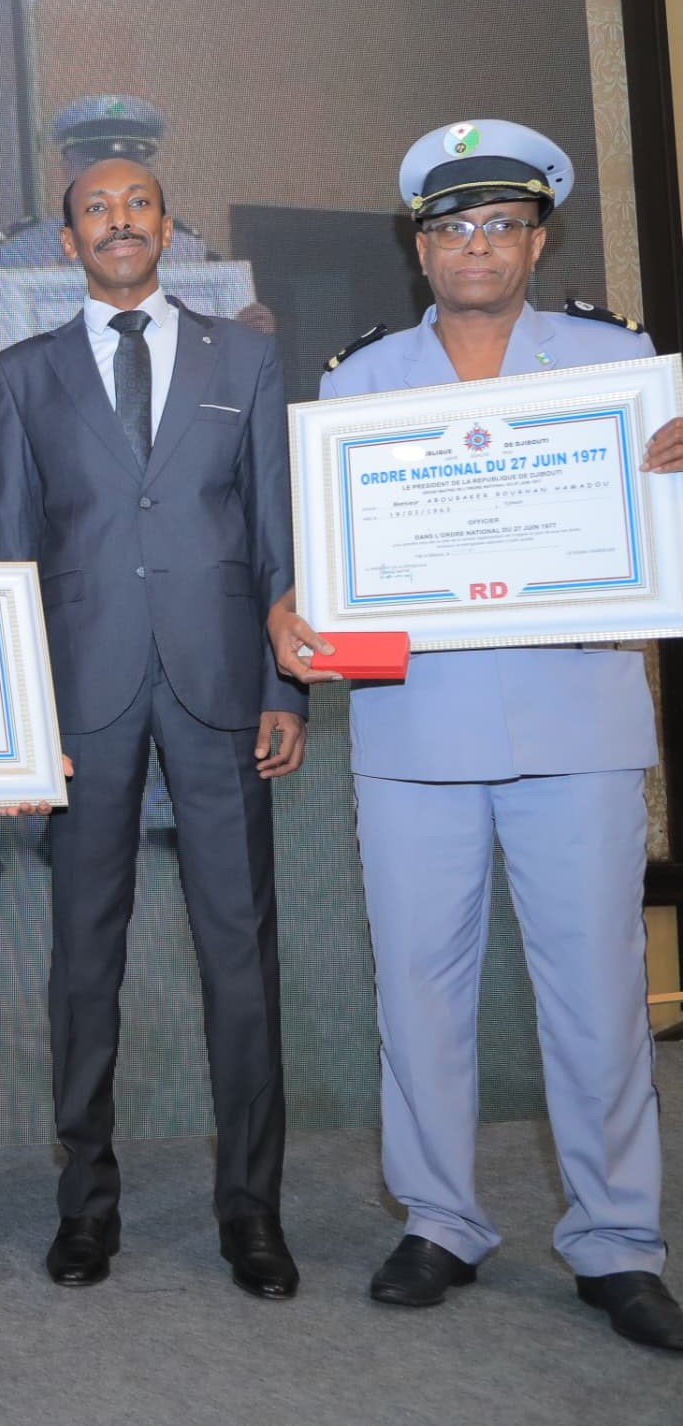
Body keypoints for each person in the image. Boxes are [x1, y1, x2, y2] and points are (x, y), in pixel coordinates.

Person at [273, 120, 683, 1352]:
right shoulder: (357, 382)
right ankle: (440, 1219)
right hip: (414, 728)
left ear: (536, 237)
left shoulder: (618, 361)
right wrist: (296, 607)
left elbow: (652, 538)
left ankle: (616, 1242)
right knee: (420, 988)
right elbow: (334, 553)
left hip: (578, 719)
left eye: (499, 225)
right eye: (449, 227)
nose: (474, 246)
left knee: (598, 995)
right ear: (419, 246)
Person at [0, 156, 304, 1299]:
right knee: (84, 956)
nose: (117, 221)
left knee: (240, 954)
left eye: (137, 204)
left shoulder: (249, 358)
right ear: (65, 243)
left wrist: (285, 688)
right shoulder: (21, 373)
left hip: (224, 683)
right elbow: (11, 560)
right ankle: (87, 1205)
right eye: (93, 210)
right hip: (83, 693)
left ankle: (251, 1210)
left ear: (169, 226)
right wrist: (20, 722)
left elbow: (278, 533)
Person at [0, 94, 270, 358]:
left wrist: (247, 337)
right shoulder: (19, 255)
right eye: (95, 164)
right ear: (68, 167)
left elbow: (217, 362)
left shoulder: (186, 250)